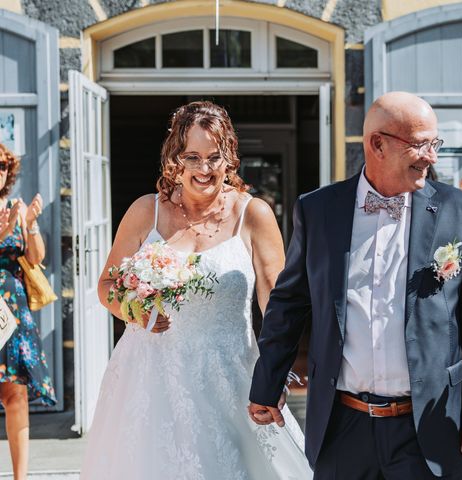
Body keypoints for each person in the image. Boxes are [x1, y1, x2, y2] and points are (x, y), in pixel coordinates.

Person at [249, 91, 462, 479]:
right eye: (420, 145)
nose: (431, 157)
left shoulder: (459, 210)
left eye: (434, 144)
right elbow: (289, 302)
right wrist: (268, 382)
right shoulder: (318, 209)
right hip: (342, 427)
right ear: (377, 144)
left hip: (429, 428)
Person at [80, 101, 312, 479]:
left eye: (214, 157)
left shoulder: (253, 215)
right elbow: (107, 285)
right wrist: (131, 311)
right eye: (192, 157)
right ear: (175, 159)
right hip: (149, 377)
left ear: (229, 157)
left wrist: (275, 375)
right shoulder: (145, 212)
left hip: (230, 375)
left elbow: (278, 306)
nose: (204, 169)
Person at [0, 143, 56, 480]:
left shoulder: (15, 207)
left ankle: (21, 477)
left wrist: (30, 223)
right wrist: (4, 232)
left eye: (3, 167)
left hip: (12, 309)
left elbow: (35, 258)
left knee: (16, 392)